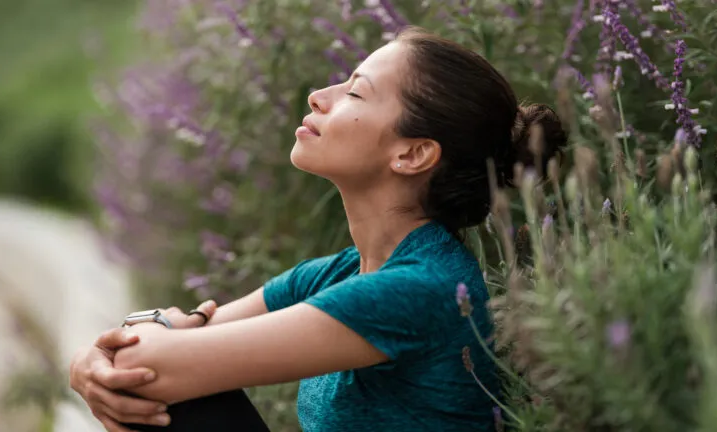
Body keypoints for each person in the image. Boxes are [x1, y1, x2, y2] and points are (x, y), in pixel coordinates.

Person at [69, 26, 567, 432]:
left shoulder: (420, 289)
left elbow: (154, 364)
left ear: (413, 154)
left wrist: (119, 352)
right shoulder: (340, 273)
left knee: (161, 392)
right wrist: (93, 360)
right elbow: (164, 349)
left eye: (353, 92)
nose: (319, 96)